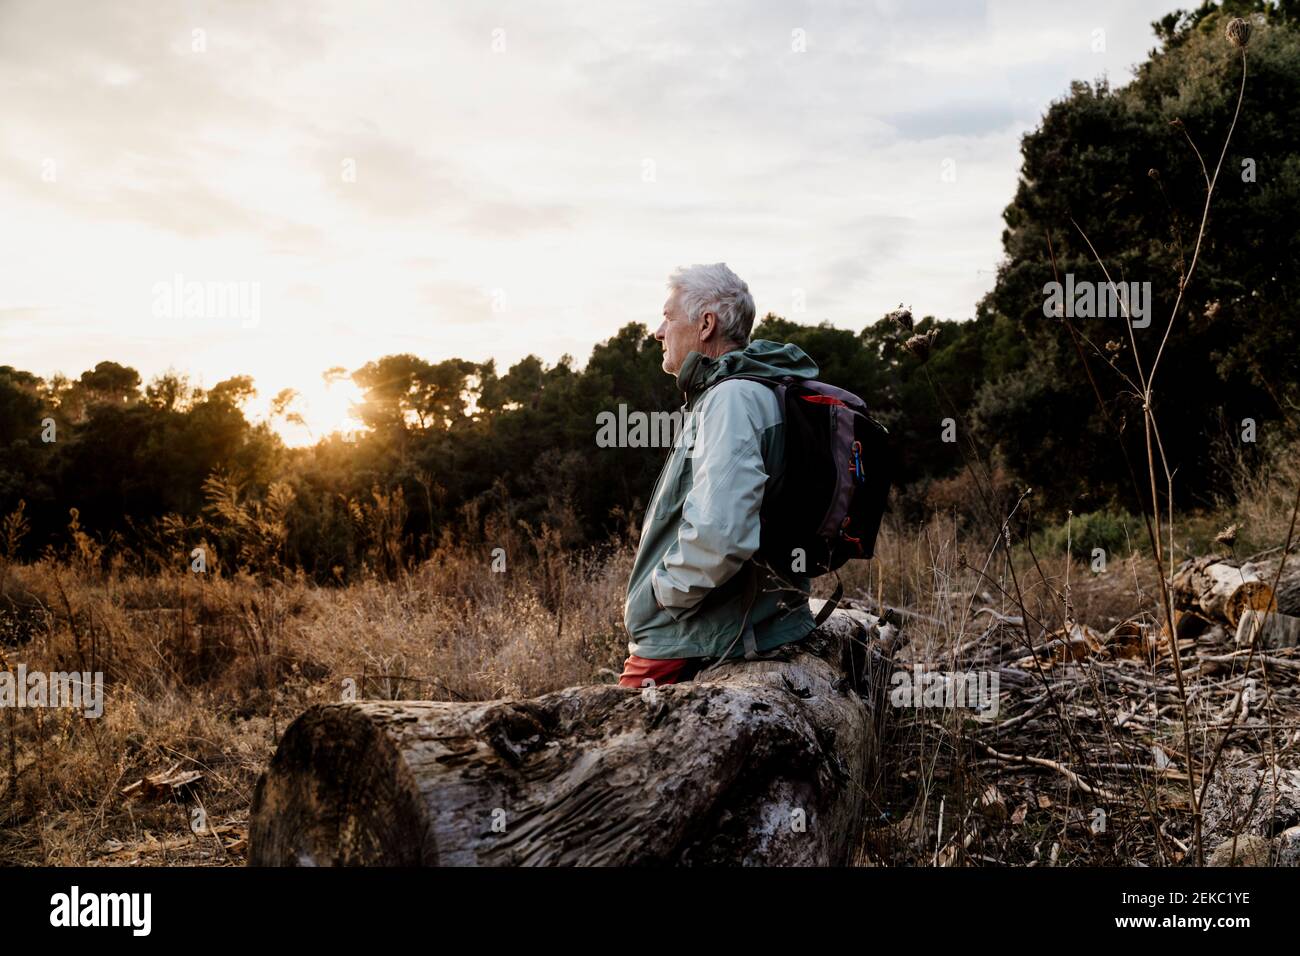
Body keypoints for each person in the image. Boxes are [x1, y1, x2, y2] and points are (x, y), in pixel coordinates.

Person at [620, 262, 819, 689]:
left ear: (706, 324)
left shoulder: (731, 399)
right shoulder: (757, 390)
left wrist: (662, 595)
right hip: (745, 623)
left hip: (695, 637)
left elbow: (722, 531)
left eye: (668, 317)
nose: (658, 331)